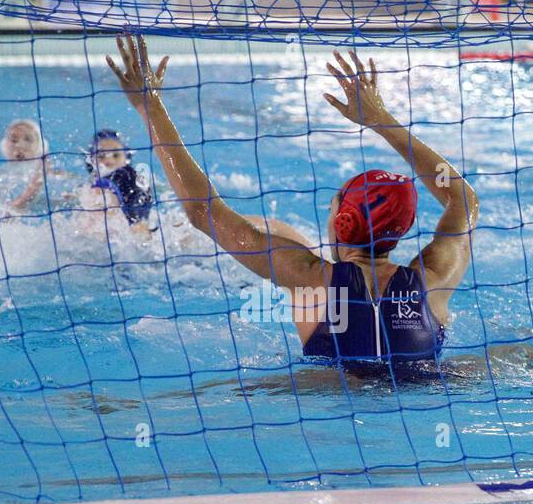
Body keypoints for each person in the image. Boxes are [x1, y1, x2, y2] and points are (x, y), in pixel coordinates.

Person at [105, 34, 478, 371]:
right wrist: (382, 121)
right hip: (429, 389)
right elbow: (461, 199)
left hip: (327, 397)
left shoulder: (310, 277)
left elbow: (204, 212)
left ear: (343, 223)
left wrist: (150, 107)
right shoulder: (433, 281)